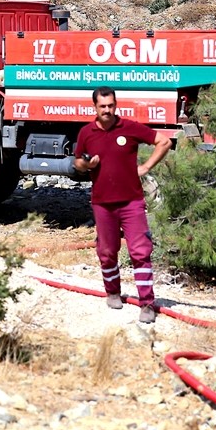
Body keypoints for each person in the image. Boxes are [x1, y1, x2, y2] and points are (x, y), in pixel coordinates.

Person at [73, 86, 173, 323]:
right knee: (107, 252)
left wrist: (146, 167)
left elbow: (164, 142)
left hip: (132, 201)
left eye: (110, 106)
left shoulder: (129, 128)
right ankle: (113, 292)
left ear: (116, 105)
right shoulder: (86, 132)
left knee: (141, 251)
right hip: (102, 203)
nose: (107, 110)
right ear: (95, 107)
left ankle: (147, 303)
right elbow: (77, 161)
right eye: (102, 106)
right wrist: (87, 166)